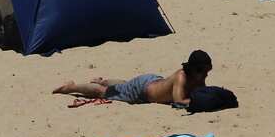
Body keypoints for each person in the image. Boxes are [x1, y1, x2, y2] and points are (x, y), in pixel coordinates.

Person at [52, 49, 212, 106]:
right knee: (103, 92)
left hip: (151, 81)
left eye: (207, 71)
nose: (206, 74)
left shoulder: (197, 76)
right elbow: (178, 101)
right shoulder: (181, 77)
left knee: (124, 85)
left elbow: (201, 91)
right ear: (193, 69)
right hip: (142, 91)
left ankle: (102, 80)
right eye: (203, 71)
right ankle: (71, 87)